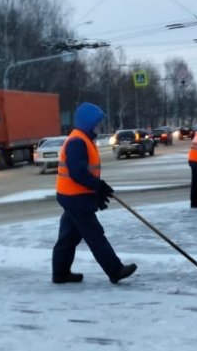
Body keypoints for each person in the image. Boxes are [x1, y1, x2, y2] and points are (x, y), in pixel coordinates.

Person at [52, 102, 137, 285]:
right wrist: (99, 186)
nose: (99, 125)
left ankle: (60, 274)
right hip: (74, 198)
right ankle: (115, 270)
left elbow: (84, 173)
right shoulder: (77, 142)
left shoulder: (84, 139)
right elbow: (78, 173)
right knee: (95, 234)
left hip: (73, 196)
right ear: (88, 122)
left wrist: (96, 193)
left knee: (68, 237)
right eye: (97, 122)